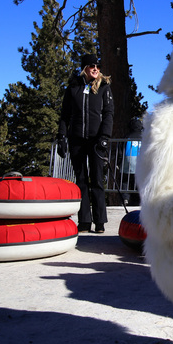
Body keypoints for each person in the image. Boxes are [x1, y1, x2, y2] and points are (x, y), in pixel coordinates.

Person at [57, 54, 114, 233]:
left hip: (97, 141)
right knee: (81, 180)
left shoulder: (104, 87)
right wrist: (61, 137)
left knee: (97, 179)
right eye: (91, 66)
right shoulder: (73, 88)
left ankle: (100, 221)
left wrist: (105, 136)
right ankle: (84, 220)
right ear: (84, 68)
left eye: (98, 65)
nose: (96, 68)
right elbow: (65, 115)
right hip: (77, 139)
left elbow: (109, 113)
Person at [120, 117, 143, 206]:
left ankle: (125, 198)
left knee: (125, 180)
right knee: (138, 181)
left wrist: (119, 161)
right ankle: (137, 199)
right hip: (140, 162)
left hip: (127, 162)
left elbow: (121, 149)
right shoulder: (143, 136)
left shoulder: (127, 136)